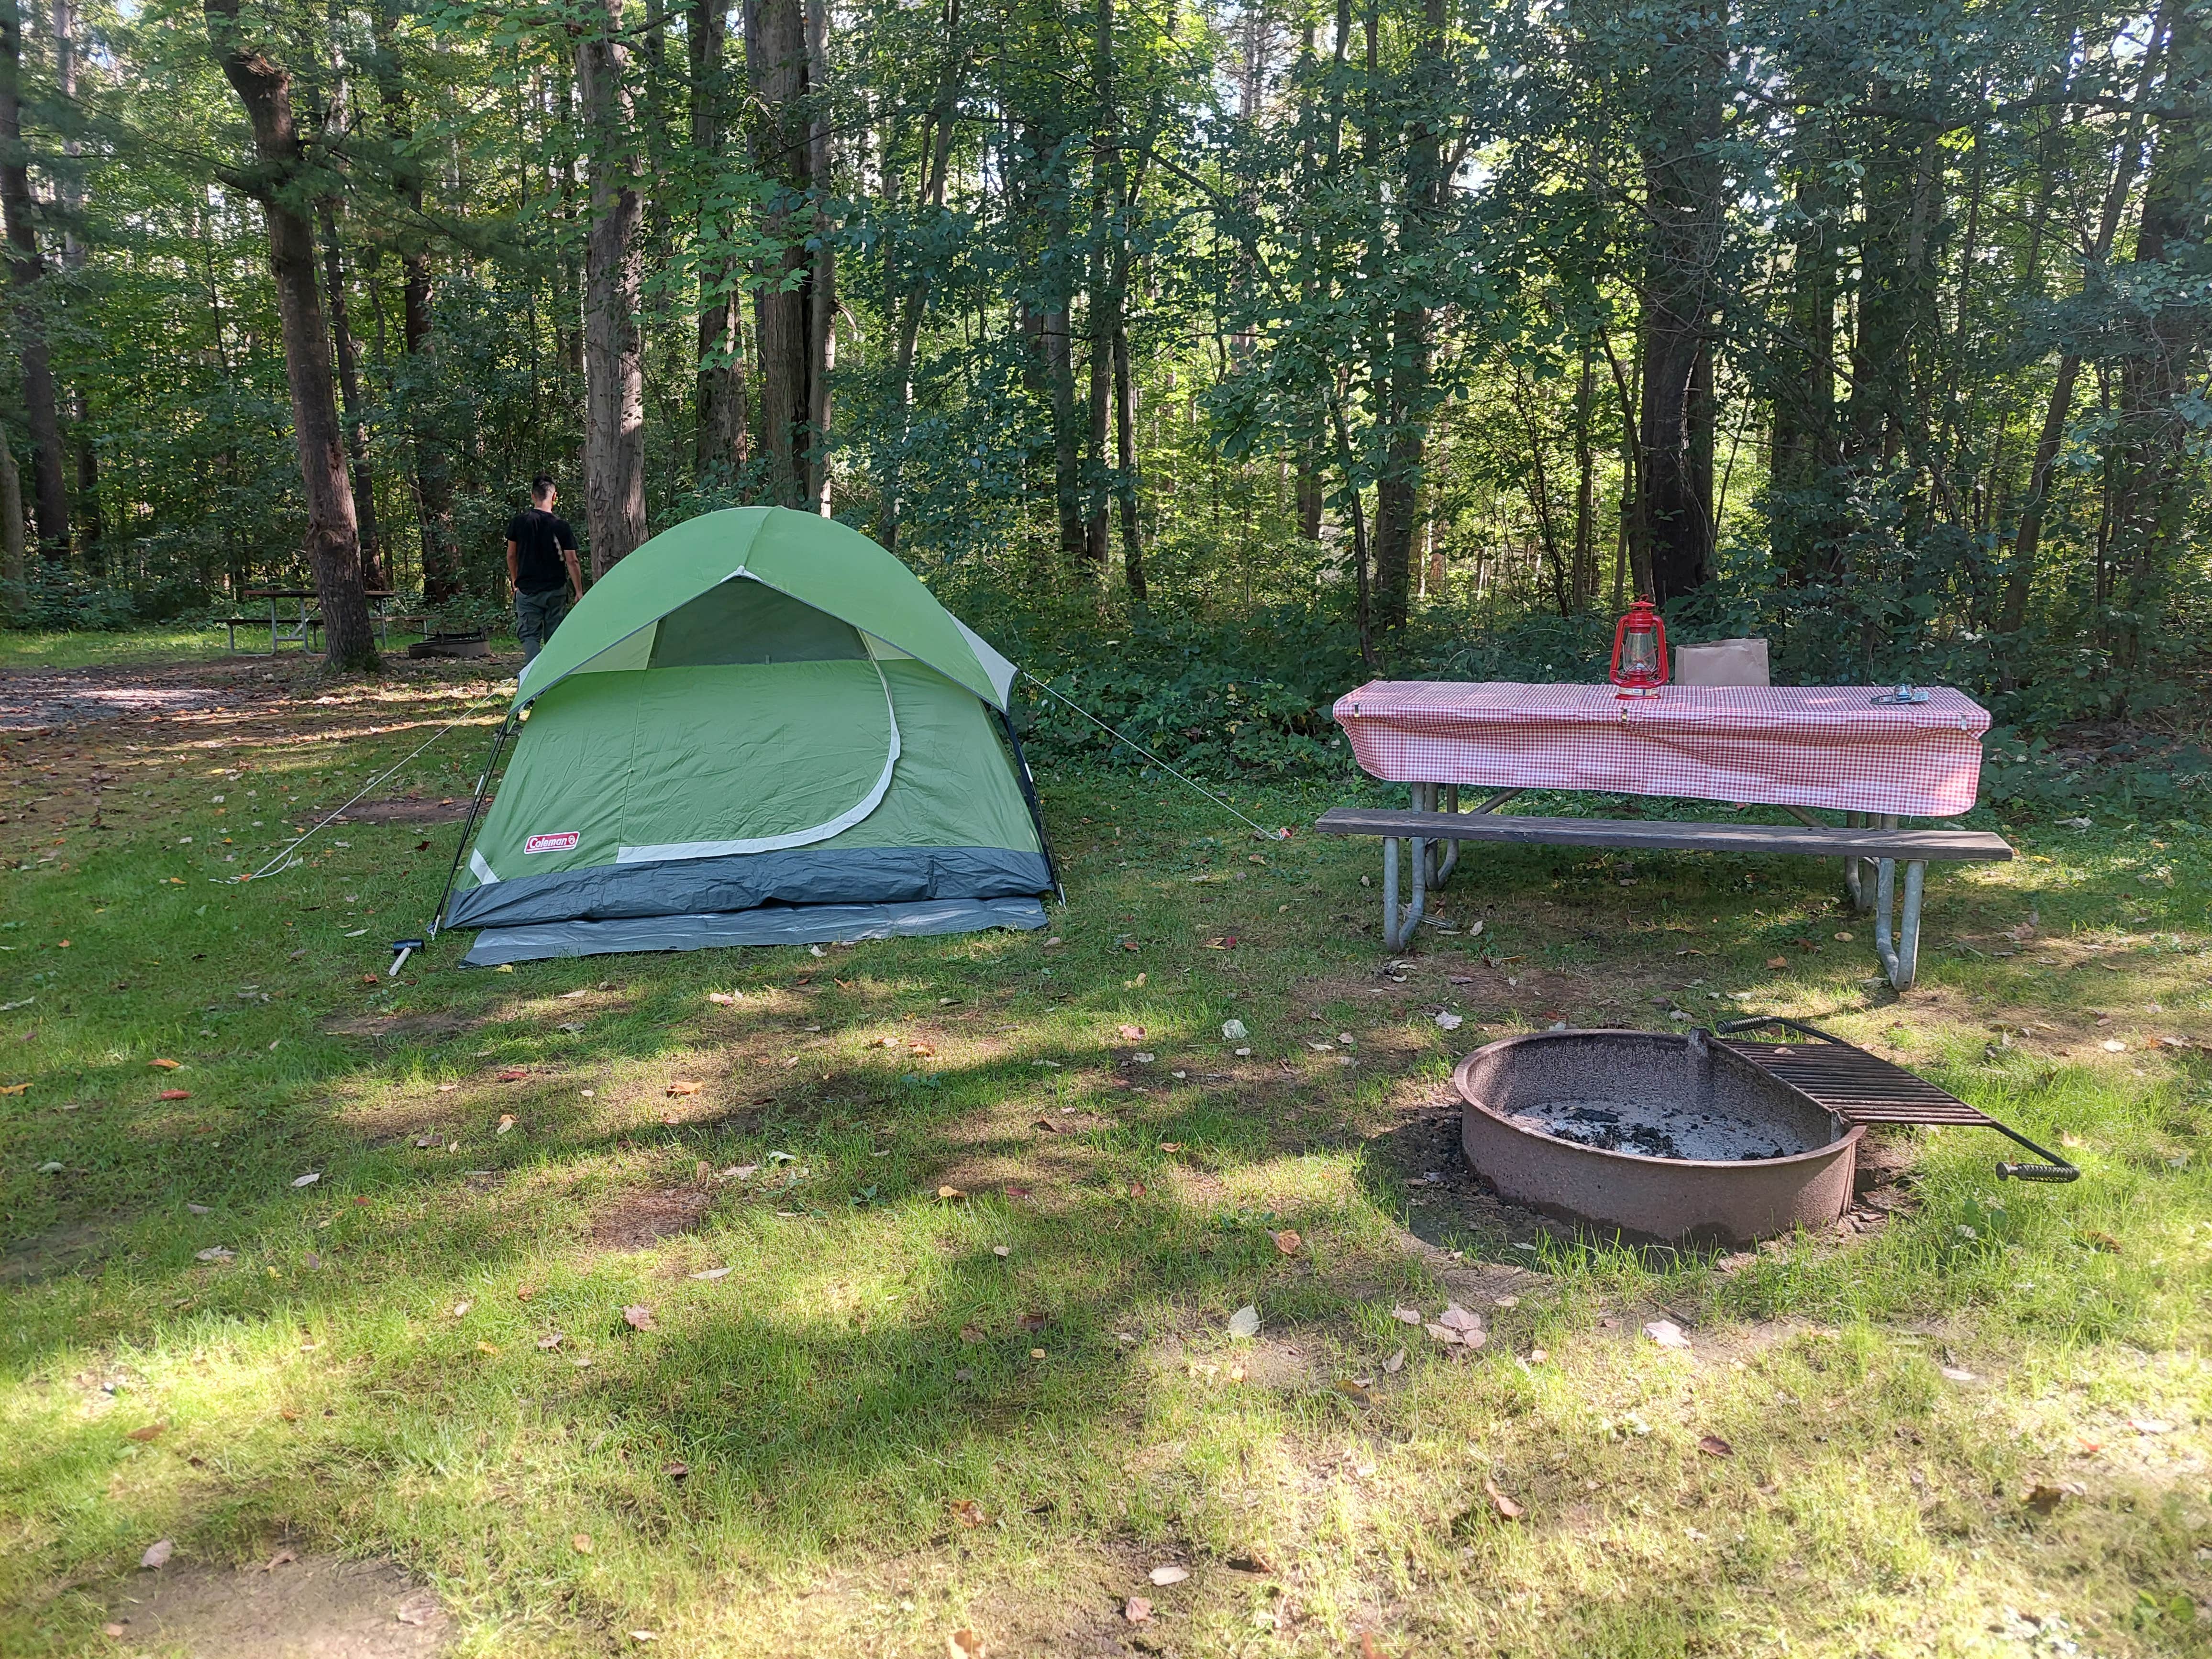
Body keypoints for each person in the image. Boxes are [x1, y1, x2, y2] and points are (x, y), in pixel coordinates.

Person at [507, 475, 584, 663]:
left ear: (533, 496)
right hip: (555, 590)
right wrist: (579, 591)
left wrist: (515, 581)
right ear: (555, 497)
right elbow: (572, 561)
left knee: (530, 636)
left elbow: (511, 555)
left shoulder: (519, 522)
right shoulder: (561, 526)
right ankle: (554, 678)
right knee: (555, 637)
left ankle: (533, 683)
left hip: (527, 590)